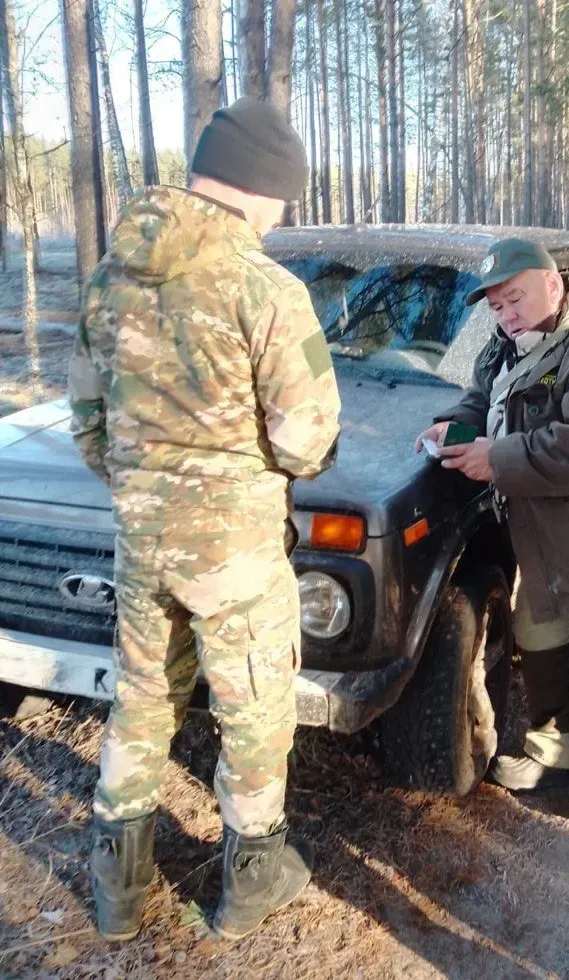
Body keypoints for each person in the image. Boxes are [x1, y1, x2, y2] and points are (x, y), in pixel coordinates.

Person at [68, 97, 341, 943]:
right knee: (253, 708)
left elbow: (88, 422)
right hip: (235, 552)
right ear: (260, 188)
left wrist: (149, 494)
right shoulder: (269, 290)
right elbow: (307, 438)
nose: (281, 218)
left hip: (142, 543)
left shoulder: (109, 280)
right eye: (283, 201)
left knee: (143, 696)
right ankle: (253, 881)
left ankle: (116, 890)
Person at [415, 237, 569, 826]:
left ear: (553, 284)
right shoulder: (506, 343)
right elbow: (482, 397)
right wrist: (454, 429)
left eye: (516, 298)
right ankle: (559, 754)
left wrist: (495, 459)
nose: (506, 314)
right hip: (542, 532)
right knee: (544, 634)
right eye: (496, 305)